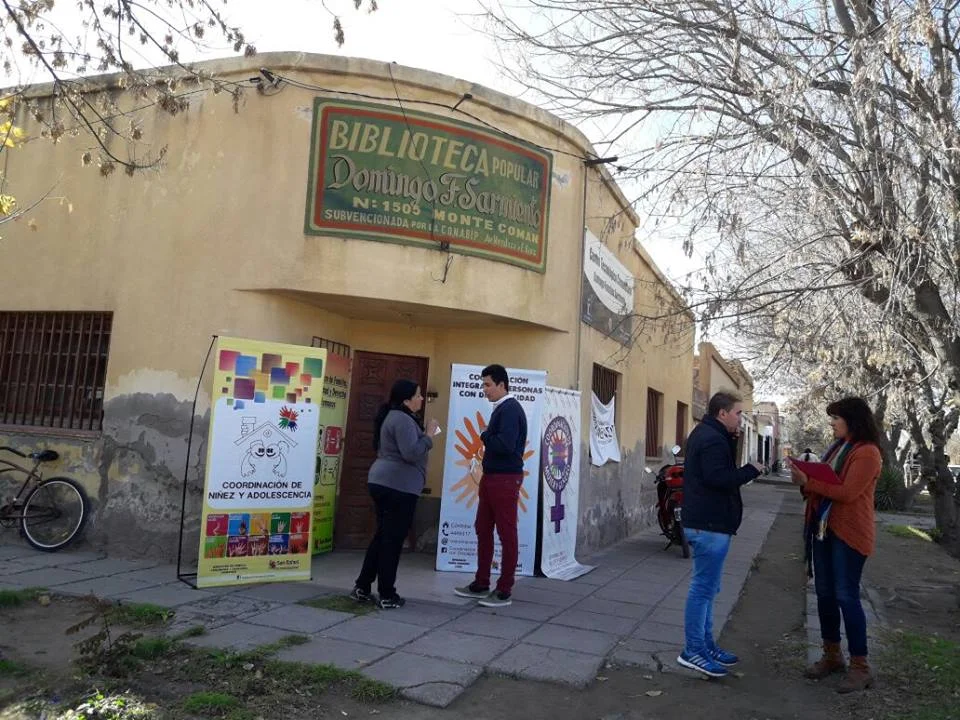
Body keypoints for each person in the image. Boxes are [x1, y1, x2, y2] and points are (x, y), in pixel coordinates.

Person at [791, 397, 882, 693]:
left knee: (846, 596)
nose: (831, 423)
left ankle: (860, 666)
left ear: (852, 421)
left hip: (849, 533)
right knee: (825, 595)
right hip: (824, 530)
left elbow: (847, 492)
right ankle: (832, 656)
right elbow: (826, 483)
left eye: (835, 418)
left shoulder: (867, 453)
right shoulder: (837, 449)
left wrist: (808, 481)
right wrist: (806, 480)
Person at [677, 391, 764, 678]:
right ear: (722, 413)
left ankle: (706, 645)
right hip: (708, 525)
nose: (741, 418)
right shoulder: (712, 439)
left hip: (711, 523)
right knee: (702, 589)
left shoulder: (711, 435)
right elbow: (719, 479)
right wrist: (750, 471)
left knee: (709, 589)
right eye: (738, 413)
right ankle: (692, 651)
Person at [351, 379, 438, 610]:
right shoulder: (401, 419)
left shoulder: (399, 417)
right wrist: (428, 436)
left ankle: (362, 586)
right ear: (406, 399)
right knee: (392, 541)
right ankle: (387, 594)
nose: (421, 398)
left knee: (383, 537)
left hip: (388, 483)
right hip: (397, 487)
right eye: (418, 395)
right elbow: (410, 453)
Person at [454, 364, 528, 608]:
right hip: (492, 476)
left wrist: (485, 436)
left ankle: (504, 589)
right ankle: (481, 583)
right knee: (482, 527)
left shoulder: (510, 409)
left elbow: (505, 445)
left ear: (501, 385)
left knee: (507, 533)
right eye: (483, 384)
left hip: (505, 478)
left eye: (487, 384)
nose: (484, 390)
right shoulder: (502, 409)